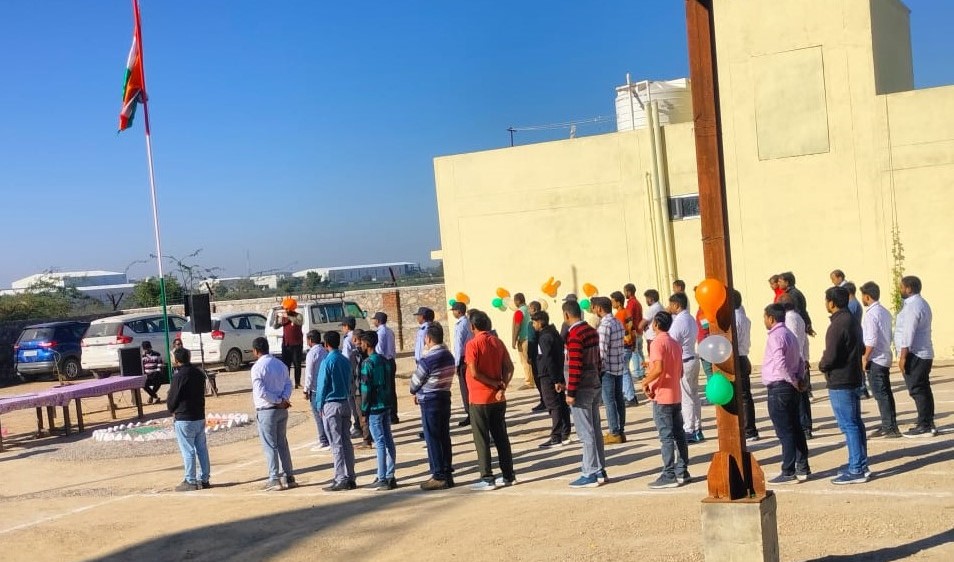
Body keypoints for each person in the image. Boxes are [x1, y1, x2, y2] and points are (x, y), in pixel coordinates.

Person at [818, 287, 869, 484]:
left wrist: (823, 365)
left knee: (849, 425)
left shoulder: (838, 324)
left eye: (826, 300)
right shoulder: (853, 320)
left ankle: (856, 469)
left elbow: (830, 356)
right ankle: (860, 464)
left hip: (841, 381)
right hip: (853, 377)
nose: (825, 303)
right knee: (855, 423)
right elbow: (861, 348)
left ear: (832, 303)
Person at [465, 310, 517, 490]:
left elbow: (474, 373)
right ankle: (508, 474)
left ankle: (487, 477)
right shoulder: (497, 341)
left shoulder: (472, 344)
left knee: (482, 440)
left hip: (480, 398)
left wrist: (493, 383)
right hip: (498, 398)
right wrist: (502, 387)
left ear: (472, 326)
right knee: (501, 437)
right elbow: (509, 367)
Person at [761, 303, 811, 484]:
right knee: (795, 427)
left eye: (765, 317)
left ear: (771, 318)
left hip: (780, 387)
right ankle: (803, 466)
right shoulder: (790, 334)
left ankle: (788, 471)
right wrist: (799, 378)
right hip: (790, 387)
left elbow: (780, 363)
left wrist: (792, 380)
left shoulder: (776, 336)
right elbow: (800, 360)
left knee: (785, 431)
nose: (764, 320)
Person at [641, 311, 690, 489]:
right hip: (675, 394)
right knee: (679, 434)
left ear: (656, 324)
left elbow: (659, 368)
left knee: (666, 436)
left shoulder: (657, 342)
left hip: (662, 396)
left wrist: (646, 381)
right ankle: (682, 470)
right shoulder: (674, 343)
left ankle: (669, 474)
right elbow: (679, 371)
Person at [564, 300, 608, 488]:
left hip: (581, 387)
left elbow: (575, 365)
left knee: (586, 431)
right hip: (594, 383)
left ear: (566, 315)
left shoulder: (575, 335)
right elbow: (598, 359)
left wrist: (571, 391)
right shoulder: (591, 331)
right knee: (595, 428)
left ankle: (589, 471)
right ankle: (600, 469)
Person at [410, 323, 456, 490]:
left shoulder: (429, 359)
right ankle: (447, 473)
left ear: (428, 339)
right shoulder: (449, 355)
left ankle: (438, 475)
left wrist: (416, 391)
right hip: (444, 396)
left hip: (430, 400)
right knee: (444, 436)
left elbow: (414, 383)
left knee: (433, 438)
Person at [250, 337, 296, 491]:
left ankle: (274, 478)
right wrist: (283, 399)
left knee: (270, 445)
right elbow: (288, 384)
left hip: (267, 410)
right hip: (281, 409)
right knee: (282, 443)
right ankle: (289, 476)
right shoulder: (280, 364)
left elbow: (261, 392)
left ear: (256, 351)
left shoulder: (257, 367)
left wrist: (277, 400)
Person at [895, 276, 937, 437]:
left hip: (916, 354)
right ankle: (927, 422)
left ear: (909, 289)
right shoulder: (921, 303)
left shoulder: (913, 306)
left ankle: (924, 424)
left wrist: (903, 357)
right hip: (922, 353)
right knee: (923, 388)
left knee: (917, 390)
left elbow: (908, 333)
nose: (900, 289)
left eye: (901, 287)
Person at [315, 330, 357, 491]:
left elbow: (322, 385)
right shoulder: (345, 360)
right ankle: (351, 476)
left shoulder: (327, 361)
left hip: (331, 404)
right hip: (345, 402)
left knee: (336, 443)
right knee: (346, 441)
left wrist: (319, 404)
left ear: (326, 344)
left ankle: (340, 477)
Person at [166, 347, 210, 492]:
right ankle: (204, 478)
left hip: (184, 417)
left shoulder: (179, 376)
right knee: (201, 449)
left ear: (177, 360)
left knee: (188, 450)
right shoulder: (199, 373)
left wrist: (171, 409)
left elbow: (172, 398)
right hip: (199, 415)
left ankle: (190, 480)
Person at [357, 330, 397, 491]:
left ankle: (382, 478)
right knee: (388, 439)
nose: (360, 345)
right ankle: (390, 474)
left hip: (374, 406)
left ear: (367, 344)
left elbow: (365, 389)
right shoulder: (385, 361)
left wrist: (364, 411)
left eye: (361, 343)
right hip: (386, 404)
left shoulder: (368, 363)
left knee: (380, 442)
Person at [860, 282, 899, 438]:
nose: (862, 298)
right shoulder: (884, 311)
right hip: (884, 356)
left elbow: (871, 340)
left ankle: (889, 426)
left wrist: (865, 358)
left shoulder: (871, 315)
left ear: (867, 297)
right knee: (885, 392)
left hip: (876, 358)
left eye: (863, 295)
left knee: (881, 394)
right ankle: (889, 424)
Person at [532, 310, 571, 448]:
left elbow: (548, 358)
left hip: (548, 375)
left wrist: (555, 380)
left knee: (553, 404)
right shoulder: (554, 333)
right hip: (556, 372)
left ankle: (556, 436)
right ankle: (565, 432)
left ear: (540, 322)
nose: (533, 325)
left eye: (534, 322)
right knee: (561, 402)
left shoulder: (545, 337)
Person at [668, 292, 703, 443]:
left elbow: (672, 342)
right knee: (694, 395)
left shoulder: (679, 322)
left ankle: (689, 429)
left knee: (686, 397)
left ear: (676, 305)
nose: (669, 307)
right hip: (693, 358)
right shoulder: (690, 318)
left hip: (684, 360)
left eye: (671, 304)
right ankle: (698, 428)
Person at [779, 293, 813, 440]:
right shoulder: (798, 317)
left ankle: (804, 426)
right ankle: (805, 425)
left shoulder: (789, 319)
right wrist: (805, 357)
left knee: (798, 396)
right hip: (800, 360)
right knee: (802, 395)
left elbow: (793, 342)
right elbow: (805, 341)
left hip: (795, 362)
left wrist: (797, 360)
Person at [593, 297, 627, 444]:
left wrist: (598, 370)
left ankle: (614, 432)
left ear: (599, 308)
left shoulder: (605, 326)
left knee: (609, 401)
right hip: (618, 366)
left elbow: (602, 351)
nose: (593, 310)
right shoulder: (617, 322)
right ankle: (620, 430)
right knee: (619, 399)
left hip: (607, 369)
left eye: (594, 307)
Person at [733, 290, 758, 442]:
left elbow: (733, 341)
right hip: (743, 357)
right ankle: (749, 428)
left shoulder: (735, 319)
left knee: (743, 397)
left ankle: (749, 429)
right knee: (745, 396)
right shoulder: (744, 318)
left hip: (738, 357)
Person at [302, 329, 330, 452]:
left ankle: (324, 439)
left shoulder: (311, 354)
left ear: (310, 340)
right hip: (326, 387)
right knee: (325, 414)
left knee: (318, 415)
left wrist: (306, 389)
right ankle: (327, 437)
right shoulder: (325, 351)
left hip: (315, 389)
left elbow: (309, 373)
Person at [371, 311, 399, 424]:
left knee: (386, 388)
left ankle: (390, 415)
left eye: (374, 319)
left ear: (378, 321)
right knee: (391, 388)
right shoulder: (390, 331)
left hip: (384, 361)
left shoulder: (380, 333)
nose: (373, 321)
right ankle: (394, 414)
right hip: (391, 361)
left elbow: (380, 350)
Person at [340, 317, 364, 439]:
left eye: (343, 326)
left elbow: (345, 358)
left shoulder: (348, 339)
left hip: (352, 373)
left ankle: (358, 426)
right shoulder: (359, 335)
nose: (342, 329)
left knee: (353, 401)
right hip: (360, 372)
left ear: (346, 326)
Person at [612, 291, 638, 406]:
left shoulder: (618, 315)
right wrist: (634, 343)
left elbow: (619, 333)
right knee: (626, 371)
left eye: (613, 301)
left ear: (618, 302)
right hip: (629, 345)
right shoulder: (627, 312)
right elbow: (633, 330)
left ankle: (630, 396)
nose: (612, 304)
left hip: (623, 345)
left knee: (624, 372)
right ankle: (631, 395)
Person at [451, 301, 474, 427]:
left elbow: (459, 345)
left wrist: (457, 363)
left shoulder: (461, 324)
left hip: (463, 359)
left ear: (459, 311)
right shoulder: (468, 322)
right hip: (468, 357)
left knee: (465, 388)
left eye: (454, 310)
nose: (453, 313)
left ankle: (470, 413)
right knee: (469, 386)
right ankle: (472, 413)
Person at [273, 301, 304, 388]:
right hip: (286, 345)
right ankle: (286, 382)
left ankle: (297, 383)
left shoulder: (298, 316)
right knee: (286, 365)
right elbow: (275, 326)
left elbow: (299, 322)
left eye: (287, 309)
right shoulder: (284, 317)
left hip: (297, 345)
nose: (285, 310)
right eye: (285, 309)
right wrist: (276, 319)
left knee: (297, 364)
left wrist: (288, 317)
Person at [778, 272, 814, 336]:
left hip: (795, 323)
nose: (778, 283)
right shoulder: (792, 293)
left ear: (786, 283)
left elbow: (798, 311)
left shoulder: (793, 295)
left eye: (780, 281)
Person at [623, 283, 645, 383]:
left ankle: (637, 373)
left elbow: (628, 318)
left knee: (635, 352)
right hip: (639, 331)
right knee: (639, 352)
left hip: (634, 331)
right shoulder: (637, 302)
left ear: (629, 292)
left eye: (625, 291)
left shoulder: (631, 303)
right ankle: (642, 371)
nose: (624, 294)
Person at [511, 293, 534, 390]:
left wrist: (514, 340)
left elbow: (517, 326)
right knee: (531, 360)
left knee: (525, 361)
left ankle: (529, 382)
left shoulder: (519, 312)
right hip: (532, 337)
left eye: (515, 300)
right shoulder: (530, 309)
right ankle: (533, 380)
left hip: (524, 339)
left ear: (518, 301)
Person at [527, 300, 546, 413]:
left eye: (529, 308)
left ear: (533, 309)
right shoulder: (545, 321)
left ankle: (544, 400)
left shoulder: (532, 324)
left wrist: (529, 356)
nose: (528, 310)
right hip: (545, 353)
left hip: (536, 355)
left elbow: (532, 341)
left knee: (538, 378)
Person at [639, 289, 664, 353]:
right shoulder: (660, 306)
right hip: (658, 337)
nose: (646, 301)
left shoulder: (653, 309)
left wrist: (643, 327)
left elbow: (640, 325)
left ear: (651, 299)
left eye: (647, 298)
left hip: (652, 338)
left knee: (654, 357)